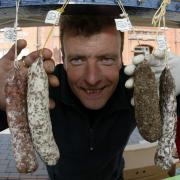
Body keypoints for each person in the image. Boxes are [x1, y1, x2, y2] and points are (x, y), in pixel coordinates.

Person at [0, 14, 180, 180]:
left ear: (120, 60)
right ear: (63, 59)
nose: (92, 78)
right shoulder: (43, 86)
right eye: (78, 60)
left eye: (106, 59)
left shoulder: (137, 87)